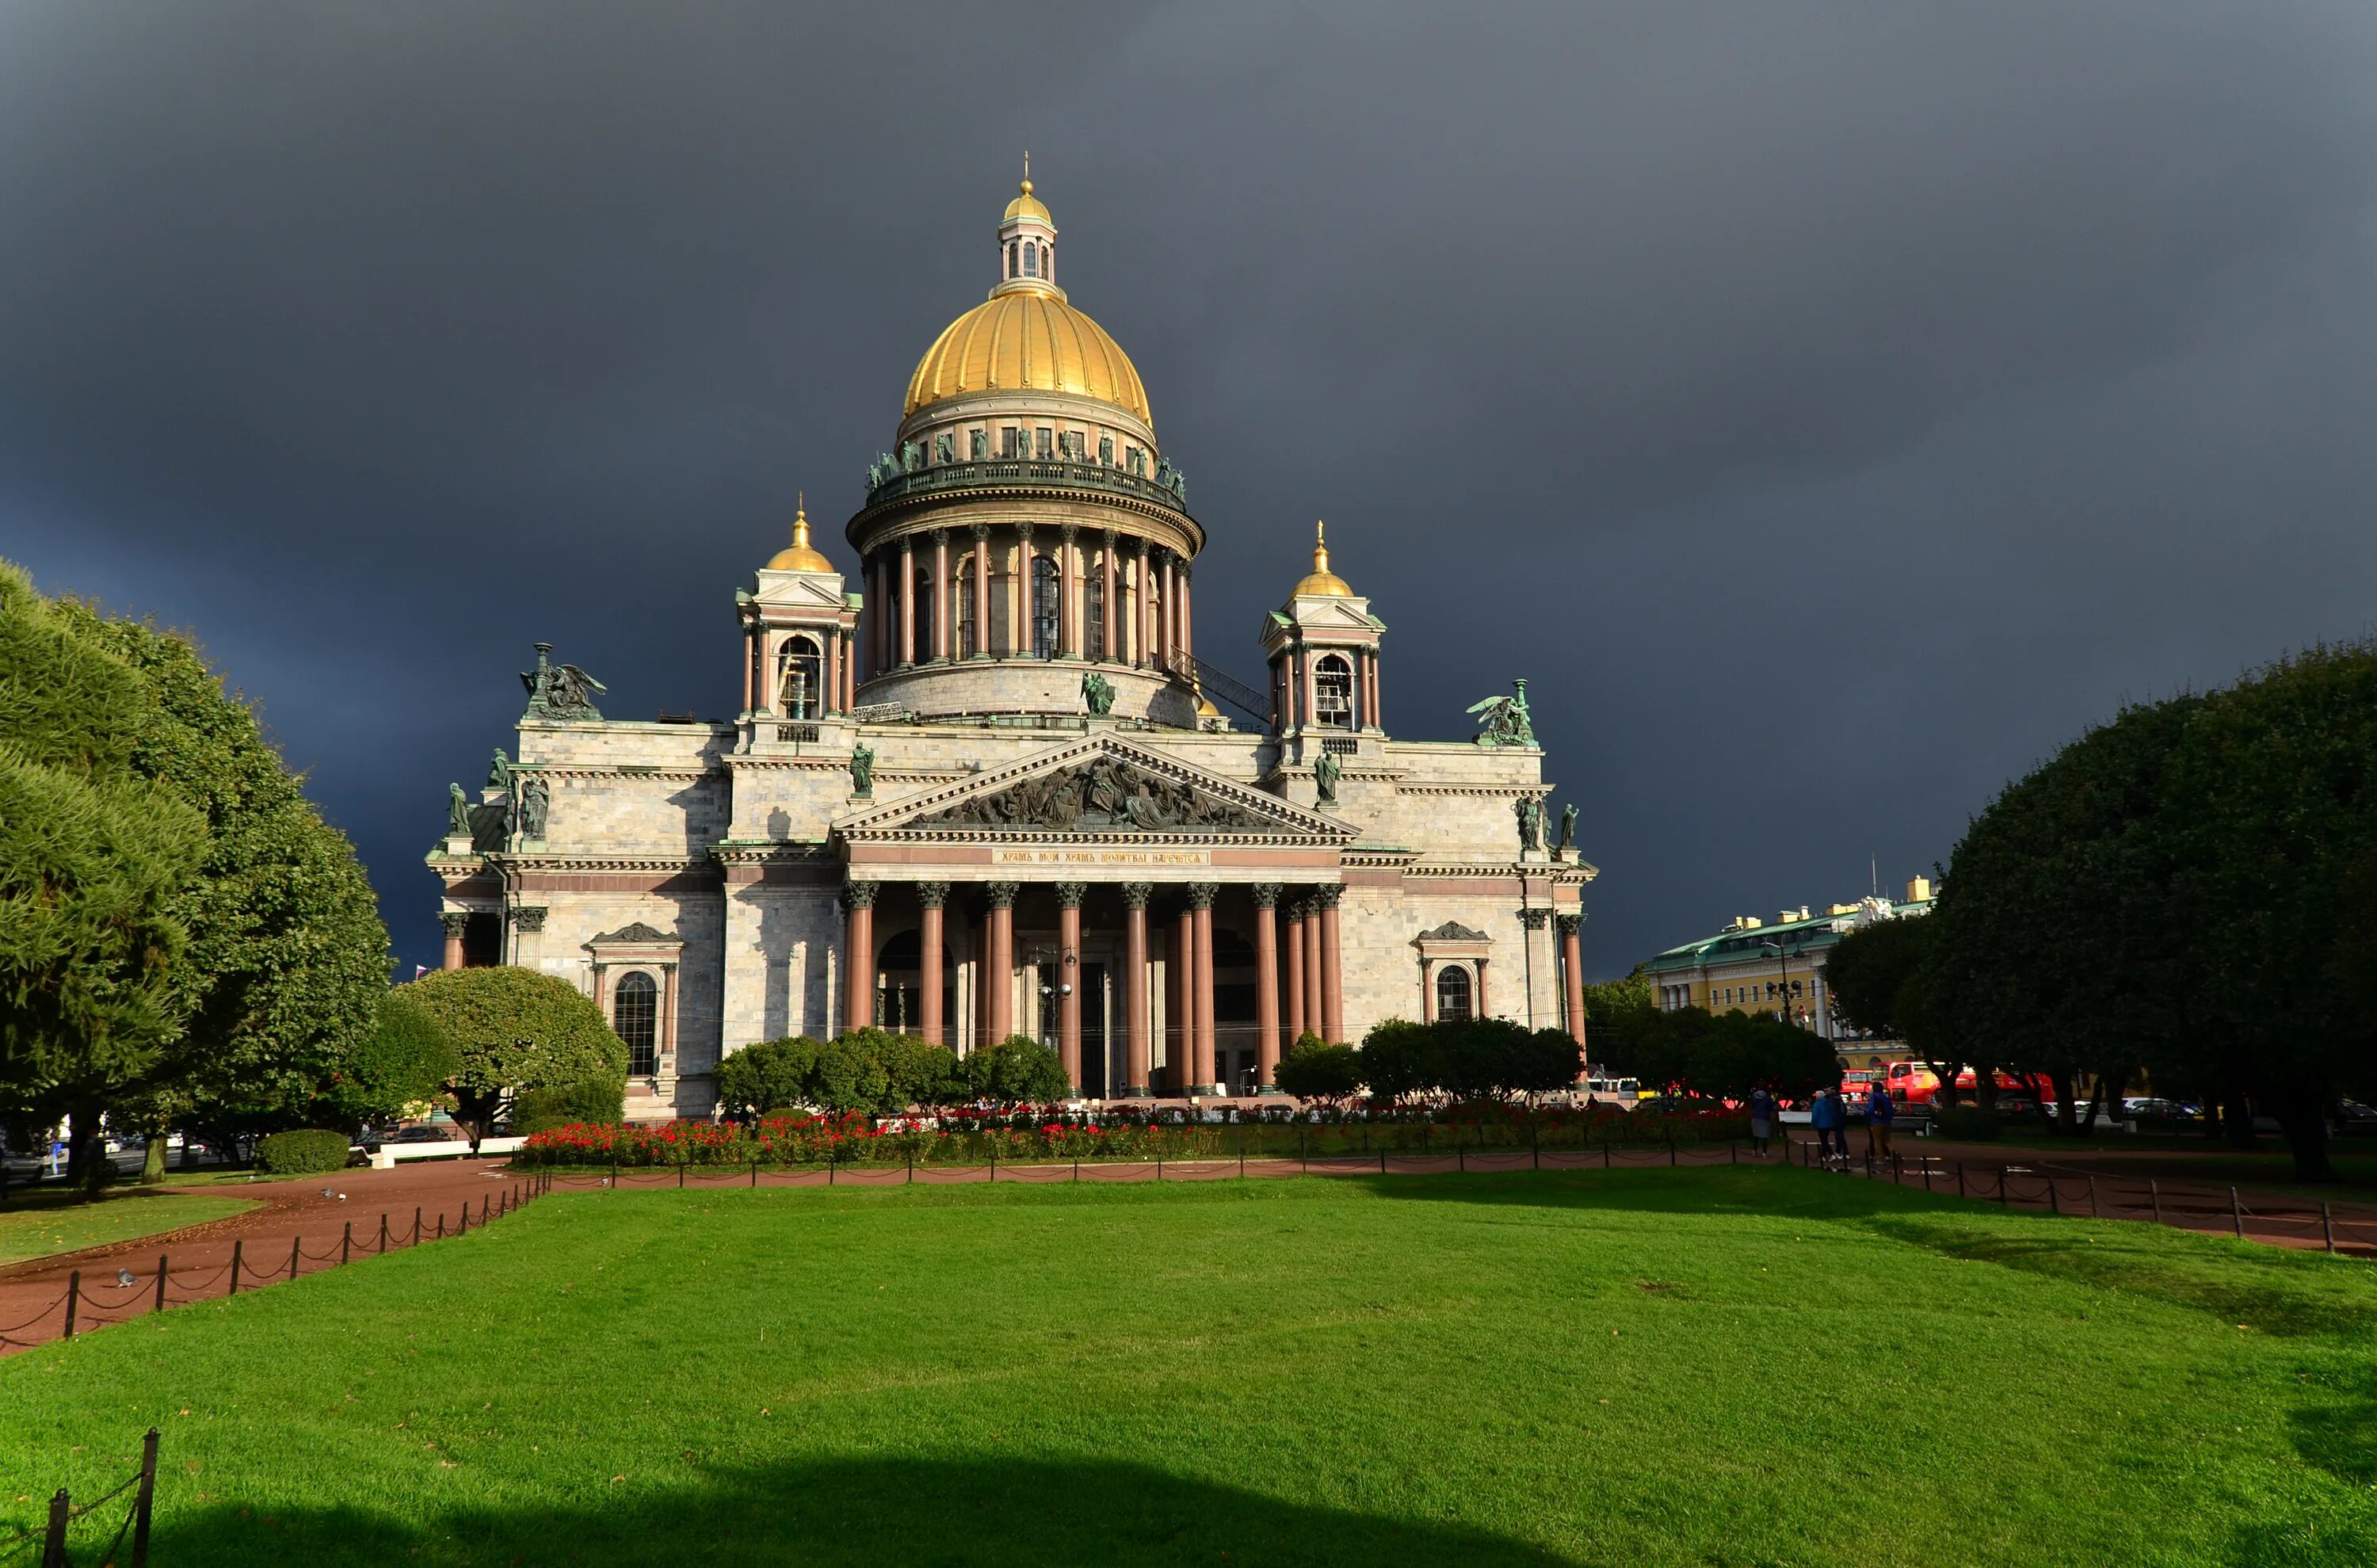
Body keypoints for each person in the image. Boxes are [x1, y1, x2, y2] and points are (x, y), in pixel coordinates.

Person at [1868, 1081, 1896, 1162]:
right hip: (1887, 1121)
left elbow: (1871, 1109)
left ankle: (1880, 1159)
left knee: (1877, 1140)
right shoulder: (1886, 1098)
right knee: (1887, 1140)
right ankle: (1895, 1153)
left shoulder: (1874, 1097)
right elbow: (1891, 1110)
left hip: (1876, 1121)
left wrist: (1870, 1116)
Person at [1748, 1086, 1776, 1157]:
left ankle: (1754, 1151)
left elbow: (1751, 1107)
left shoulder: (1753, 1097)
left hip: (1755, 1117)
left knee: (1756, 1135)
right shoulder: (1767, 1098)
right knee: (1764, 1136)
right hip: (1764, 1118)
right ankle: (1764, 1153)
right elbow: (1770, 1109)